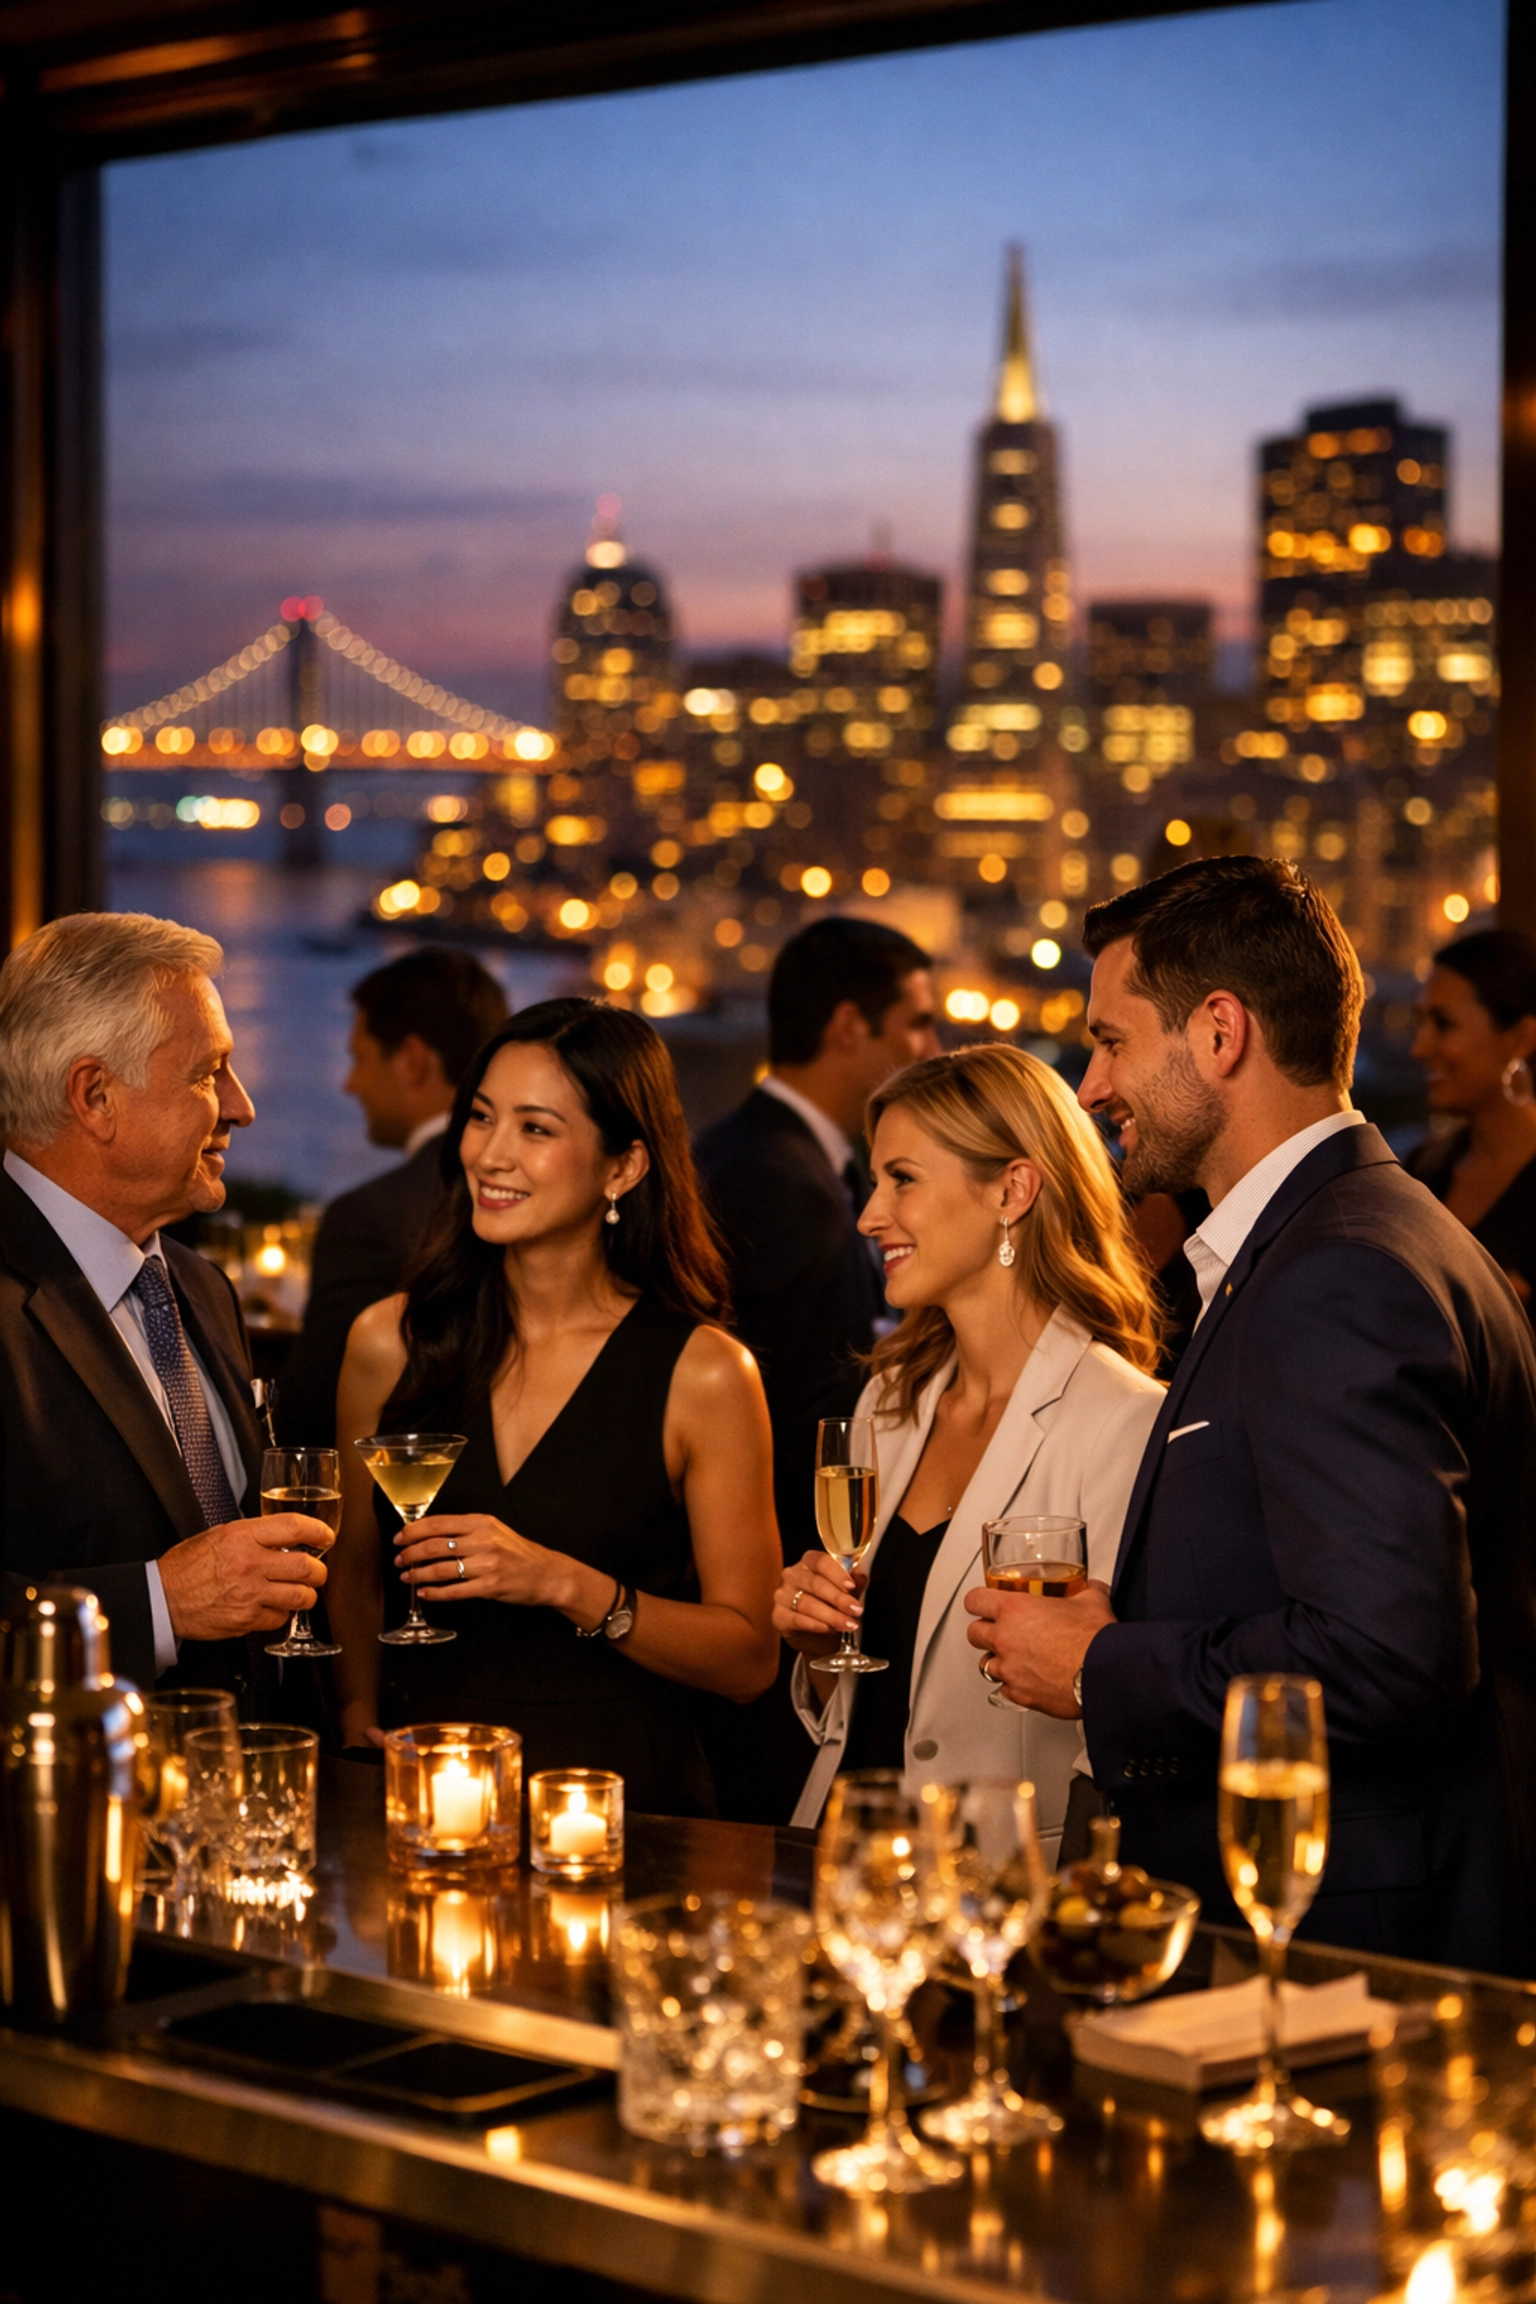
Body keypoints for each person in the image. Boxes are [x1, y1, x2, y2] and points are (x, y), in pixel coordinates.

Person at [969, 856, 1536, 1975]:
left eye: (1113, 1040)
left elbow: (1386, 1655)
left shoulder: (1339, 1273)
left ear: (1219, 1034)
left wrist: (1104, 1663)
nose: (1090, 1086)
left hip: (1350, 1941)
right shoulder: (1359, 1231)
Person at [327, 997, 780, 1816]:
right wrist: (358, 1711)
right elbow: (352, 1570)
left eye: (536, 1129)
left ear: (623, 1168)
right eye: (482, 1118)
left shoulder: (705, 1373)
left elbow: (749, 1657)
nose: (491, 1156)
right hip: (428, 1797)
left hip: (625, 1811)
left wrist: (568, 1585)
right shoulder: (387, 1342)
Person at [776, 1044, 1163, 1855]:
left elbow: (1130, 1716)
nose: (869, 1215)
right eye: (875, 1180)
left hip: (1002, 1888)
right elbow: (856, 1703)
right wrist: (818, 1649)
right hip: (839, 1859)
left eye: (902, 1180)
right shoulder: (889, 1399)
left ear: (1012, 1191)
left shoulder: (1123, 1421)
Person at [0, 913, 335, 1701]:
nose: (241, 1107)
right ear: (95, 1096)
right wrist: (159, 1604)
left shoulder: (199, 1286)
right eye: (208, 1073)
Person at [694, 915, 939, 1821]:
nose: (930, 1046)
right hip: (773, 1618)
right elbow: (808, 1423)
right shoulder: (790, 1189)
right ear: (847, 1028)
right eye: (915, 1024)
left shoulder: (737, 1149)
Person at [278, 950, 508, 1443]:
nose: (350, 1083)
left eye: (359, 1058)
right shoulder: (534, 1202)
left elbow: (314, 1418)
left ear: (412, 1062)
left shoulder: (368, 1219)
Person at [1407, 928, 1536, 1304]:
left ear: (1519, 1038)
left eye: (1443, 1024)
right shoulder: (1424, 1169)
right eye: (1421, 1023)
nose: (1420, 1048)